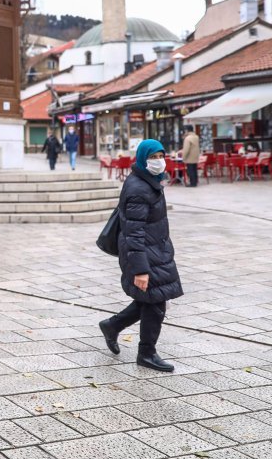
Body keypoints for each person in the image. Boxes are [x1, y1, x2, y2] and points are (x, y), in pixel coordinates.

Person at [99, 139, 183, 373]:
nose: (158, 161)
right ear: (143, 158)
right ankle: (146, 353)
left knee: (151, 300)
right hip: (144, 253)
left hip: (154, 250)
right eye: (152, 157)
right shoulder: (139, 187)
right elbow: (133, 233)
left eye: (160, 156)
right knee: (155, 303)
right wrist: (140, 270)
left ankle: (112, 326)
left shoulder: (149, 181)